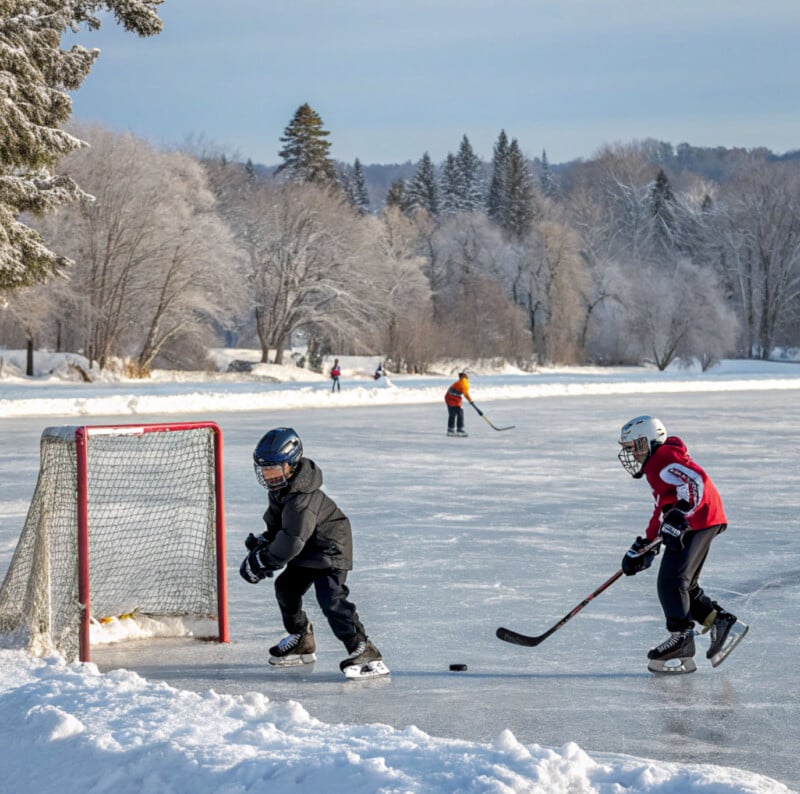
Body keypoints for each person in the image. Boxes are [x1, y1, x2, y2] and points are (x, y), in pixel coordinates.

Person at [240, 427, 389, 678]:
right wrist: (263, 543)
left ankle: (364, 648)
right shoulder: (281, 490)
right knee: (286, 587)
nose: (269, 476)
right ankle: (301, 639)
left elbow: (292, 541)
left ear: (291, 464)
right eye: (264, 470)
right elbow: (279, 528)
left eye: (274, 469)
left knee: (330, 599)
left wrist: (263, 560)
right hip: (307, 547)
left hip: (330, 547)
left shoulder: (302, 500)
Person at [617, 415, 748, 671]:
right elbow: (661, 507)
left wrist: (681, 514)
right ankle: (719, 621)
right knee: (684, 585)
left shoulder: (663, 457)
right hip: (698, 520)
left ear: (648, 441)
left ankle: (681, 638)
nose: (631, 455)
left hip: (700, 520)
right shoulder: (656, 466)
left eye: (633, 447)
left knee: (671, 580)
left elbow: (694, 481)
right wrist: (645, 544)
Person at [444, 371, 473, 437]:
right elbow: (465, 393)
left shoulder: (460, 382)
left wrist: (470, 400)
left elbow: (464, 392)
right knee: (459, 413)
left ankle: (451, 430)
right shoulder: (463, 383)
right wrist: (470, 400)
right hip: (451, 399)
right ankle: (459, 430)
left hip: (450, 398)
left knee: (453, 414)